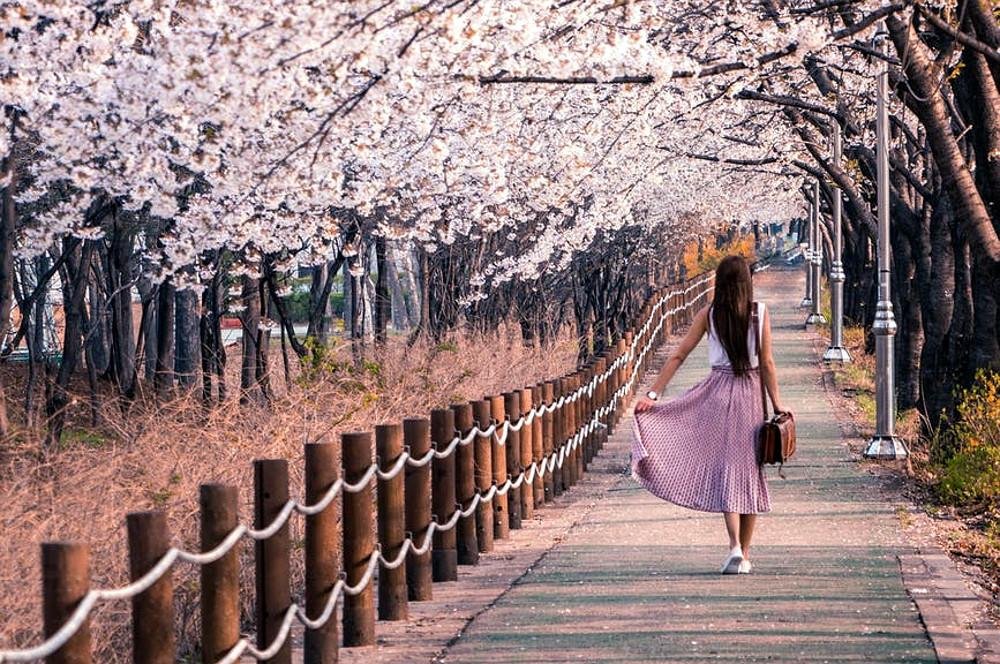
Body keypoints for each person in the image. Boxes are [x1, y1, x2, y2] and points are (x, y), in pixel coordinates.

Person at [632, 255, 788, 575]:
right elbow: (768, 363)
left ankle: (733, 547)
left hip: (716, 392)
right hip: (750, 396)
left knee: (726, 469)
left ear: (719, 282)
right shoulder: (759, 313)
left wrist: (653, 394)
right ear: (747, 281)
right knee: (750, 470)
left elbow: (679, 354)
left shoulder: (710, 314)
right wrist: (777, 405)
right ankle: (744, 552)